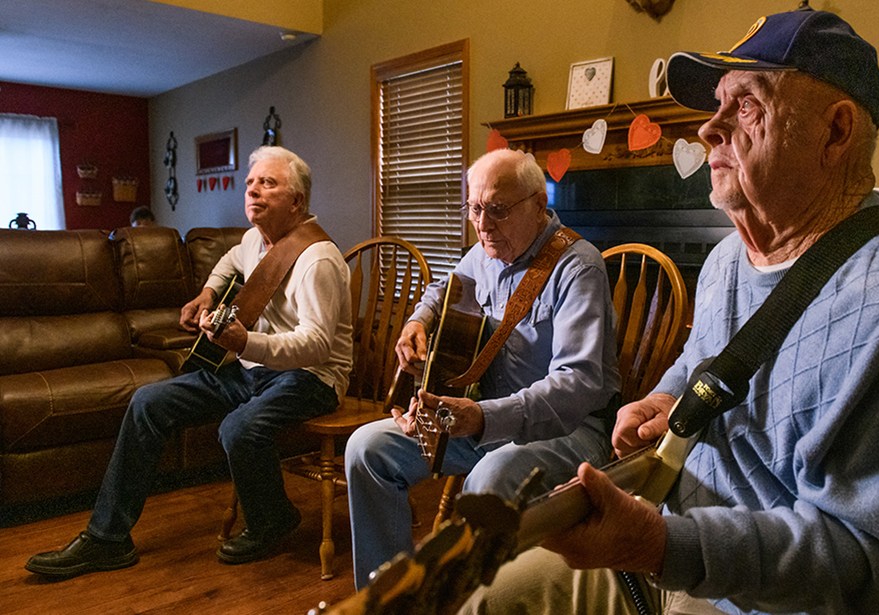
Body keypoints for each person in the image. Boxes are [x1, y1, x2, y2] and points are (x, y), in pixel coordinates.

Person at [460, 8, 879, 615]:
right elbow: (706, 365)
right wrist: (667, 397)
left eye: (746, 105)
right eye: (715, 106)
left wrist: (659, 543)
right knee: (488, 600)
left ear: (835, 132)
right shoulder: (728, 261)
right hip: (686, 550)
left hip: (784, 598)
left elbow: (868, 565)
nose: (708, 130)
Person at [25, 146, 354, 577]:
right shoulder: (255, 239)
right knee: (148, 401)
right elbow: (230, 261)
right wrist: (208, 293)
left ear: (297, 202)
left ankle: (274, 518)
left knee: (238, 428)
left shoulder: (318, 260)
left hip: (311, 377)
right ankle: (108, 539)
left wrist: (245, 342)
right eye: (251, 183)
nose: (253, 190)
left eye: (268, 184)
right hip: (255, 370)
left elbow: (315, 346)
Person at [344, 148, 621, 590]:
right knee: (367, 449)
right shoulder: (485, 251)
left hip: (568, 431)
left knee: (489, 477)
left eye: (497, 210)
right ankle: (389, 599)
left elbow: (579, 384)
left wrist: (484, 418)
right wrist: (419, 320)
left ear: (538, 204)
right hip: (480, 423)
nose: (483, 224)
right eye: (474, 208)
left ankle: (472, 603)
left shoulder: (578, 266)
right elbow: (443, 286)